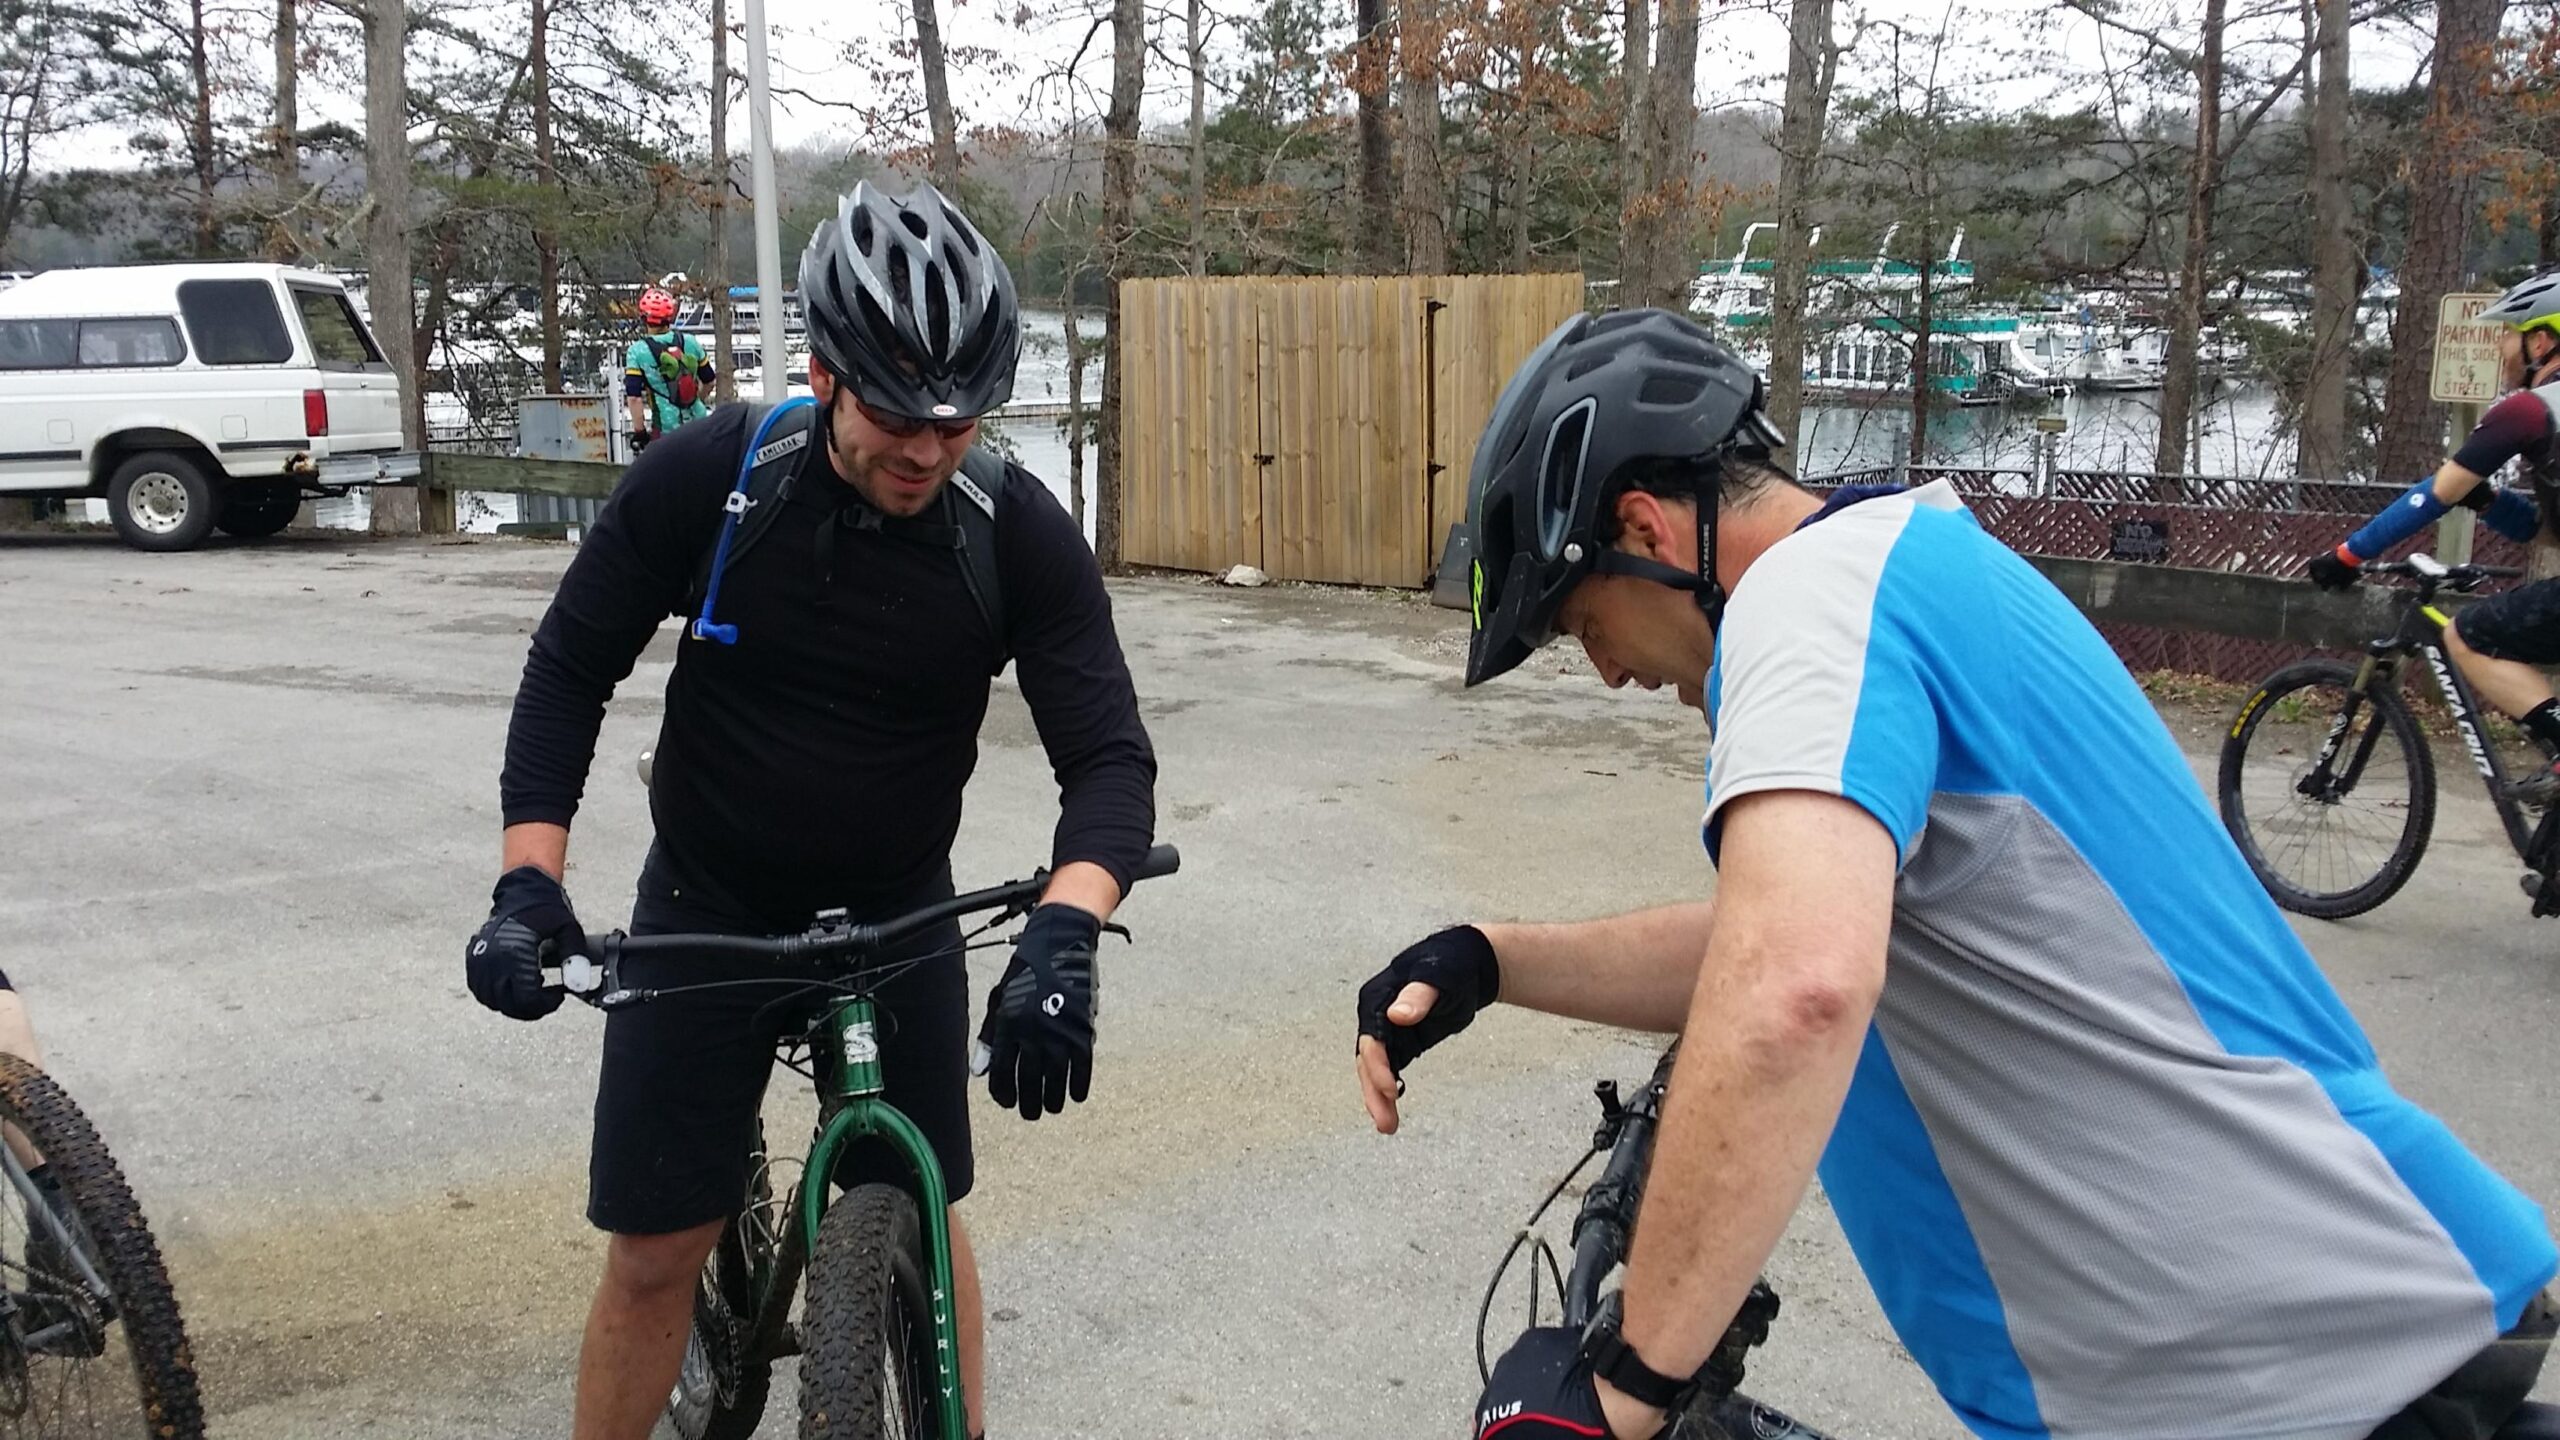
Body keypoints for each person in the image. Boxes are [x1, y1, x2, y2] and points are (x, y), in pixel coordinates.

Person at [1358, 307, 2558, 1440]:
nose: (1608, 673)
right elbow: (1779, 947)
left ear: (1642, 530)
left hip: (2287, 1369)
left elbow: (1793, 992)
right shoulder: (1907, 564)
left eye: (1579, 627)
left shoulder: (1807, 600)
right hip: (2295, 1335)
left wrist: (1623, 1390)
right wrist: (1495, 958)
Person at [468, 182, 1157, 1440]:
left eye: (961, 419)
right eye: (900, 414)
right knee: (654, 1257)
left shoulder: (1011, 529)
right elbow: (569, 668)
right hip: (708, 905)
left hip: (899, 910)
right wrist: (528, 883)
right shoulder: (718, 476)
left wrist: (1066, 931)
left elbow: (1109, 761)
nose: (930, 449)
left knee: (928, 1213)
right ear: (828, 372)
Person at [2309, 268, 2560, 801]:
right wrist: (2490, 501)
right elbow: (2549, 533)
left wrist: (2349, 554)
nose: (2502, 351)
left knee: (2469, 635)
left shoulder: (2531, 410)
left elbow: (2435, 494)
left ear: (2542, 341)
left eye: (2509, 337)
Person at [623, 285, 715, 453]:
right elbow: (709, 380)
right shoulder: (690, 342)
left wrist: (640, 432)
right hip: (700, 425)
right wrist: (695, 400)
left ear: (644, 318)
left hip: (666, 431)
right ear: (670, 317)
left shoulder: (637, 352)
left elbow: (634, 398)